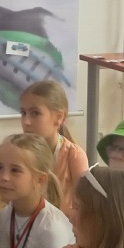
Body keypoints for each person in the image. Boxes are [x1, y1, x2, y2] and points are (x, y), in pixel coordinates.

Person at [19, 80, 88, 213]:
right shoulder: (20, 153)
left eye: (35, 113)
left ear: (59, 117)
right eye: (23, 113)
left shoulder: (74, 155)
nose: (26, 122)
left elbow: (85, 206)